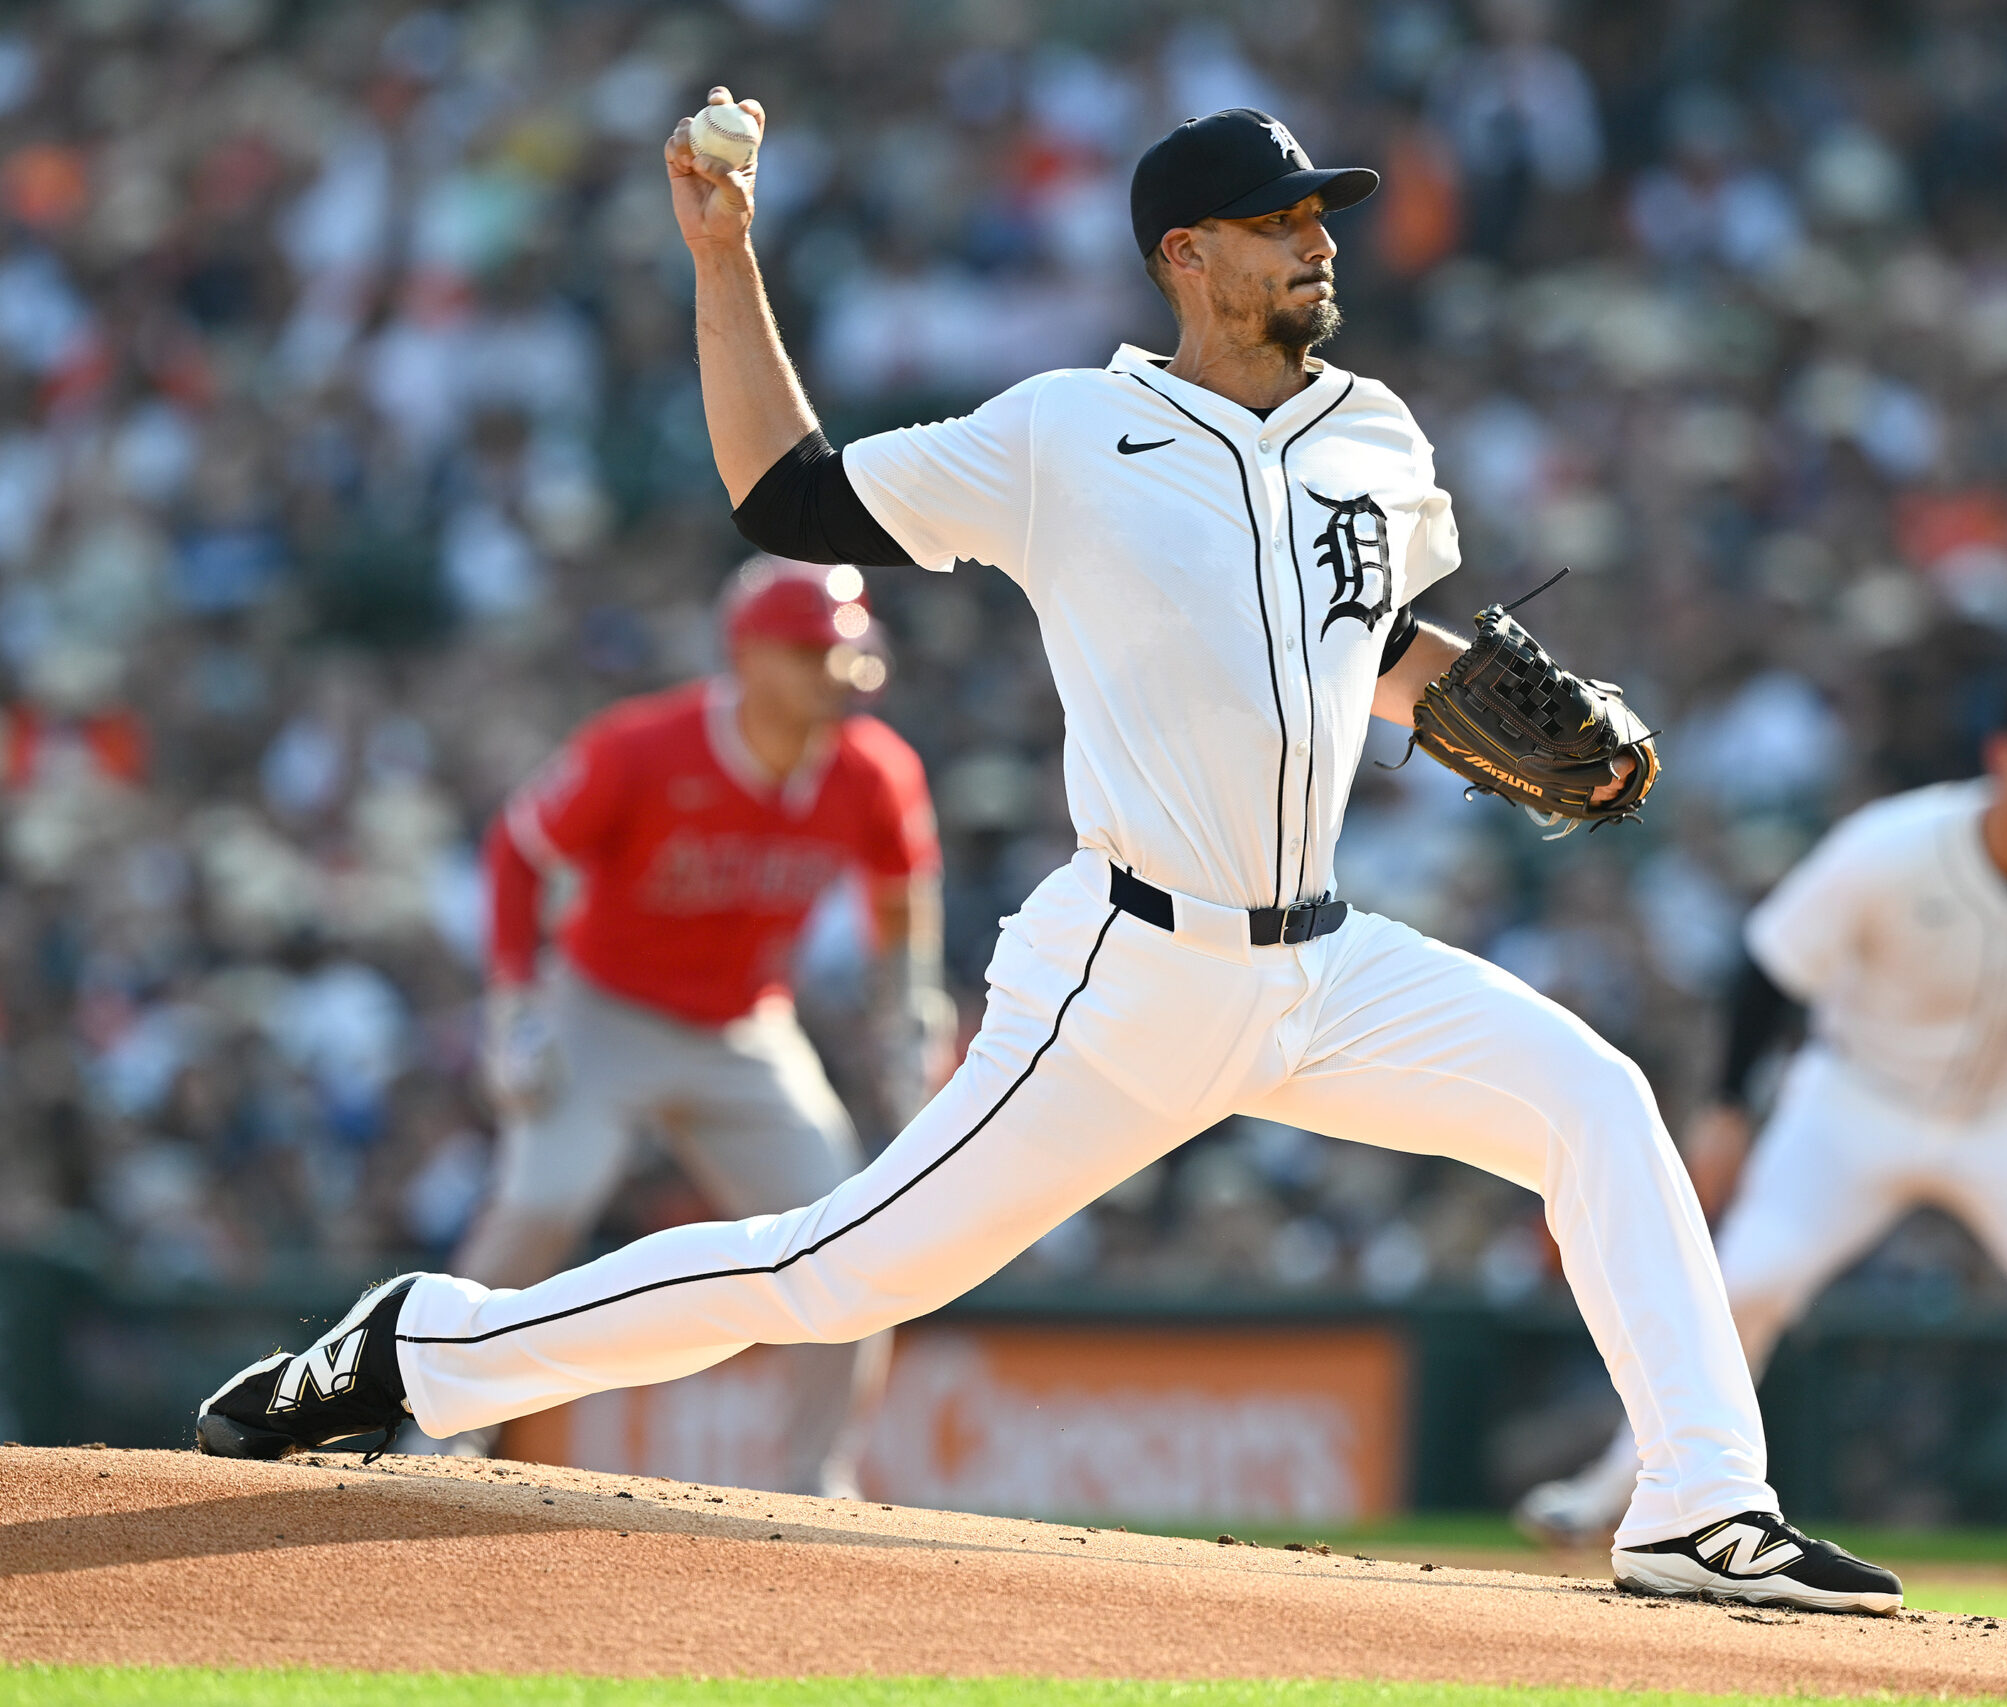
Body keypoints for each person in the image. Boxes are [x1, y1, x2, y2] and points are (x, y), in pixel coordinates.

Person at [195, 98, 1904, 1616]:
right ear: (1186, 254)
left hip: (1324, 962)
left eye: (1324, 218)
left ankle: (1699, 1505)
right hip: (1132, 973)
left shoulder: (1378, 430)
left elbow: (1368, 644)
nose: (1321, 242)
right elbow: (790, 498)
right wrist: (726, 262)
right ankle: (420, 1340)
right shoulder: (1062, 436)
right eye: (1285, 221)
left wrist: (1502, 710)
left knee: (1593, 1099)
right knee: (828, 1272)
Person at [1515, 662, 2007, 1588]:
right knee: (1745, 1283)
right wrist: (1726, 1116)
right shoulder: (1898, 844)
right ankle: (1620, 1487)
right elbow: (1768, 968)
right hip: (1856, 1099)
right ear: (2005, 758)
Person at [419, 557, 949, 1495]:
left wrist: (908, 1007)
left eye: (844, 651)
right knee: (542, 1202)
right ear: (750, 657)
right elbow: (518, 851)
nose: (837, 671)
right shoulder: (645, 747)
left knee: (853, 1241)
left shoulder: (874, 770)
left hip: (745, 1029)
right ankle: (440, 1429)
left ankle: (813, 1477)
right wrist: (515, 1002)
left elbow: (902, 898)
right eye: (810, 653)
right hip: (605, 1011)